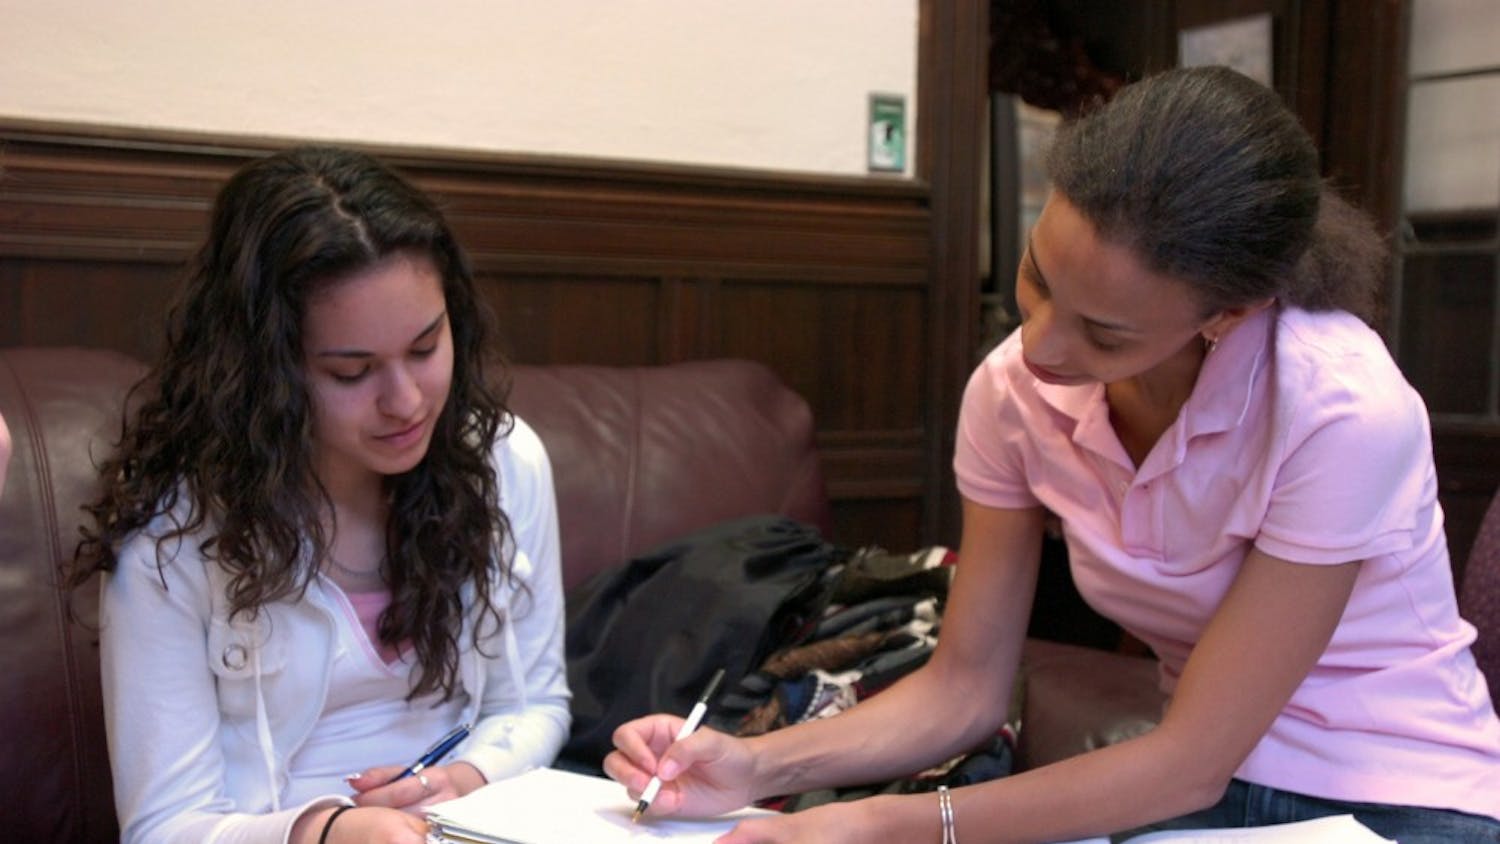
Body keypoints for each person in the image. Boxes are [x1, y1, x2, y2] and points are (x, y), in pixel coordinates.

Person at [605, 66, 1500, 843]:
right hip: (1200, 794)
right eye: (1036, 279)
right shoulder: (1010, 395)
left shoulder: (1339, 409)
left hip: (1401, 800)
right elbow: (963, 690)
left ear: (1230, 313)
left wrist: (879, 822)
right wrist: (754, 767)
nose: (1038, 348)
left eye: (1103, 335)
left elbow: (1189, 763)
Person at [68, 146, 571, 844]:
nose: (405, 402)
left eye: (426, 349)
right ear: (267, 372)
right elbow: (164, 826)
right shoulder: (175, 535)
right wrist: (329, 833)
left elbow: (535, 703)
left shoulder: (504, 463)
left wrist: (462, 779)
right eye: (351, 372)